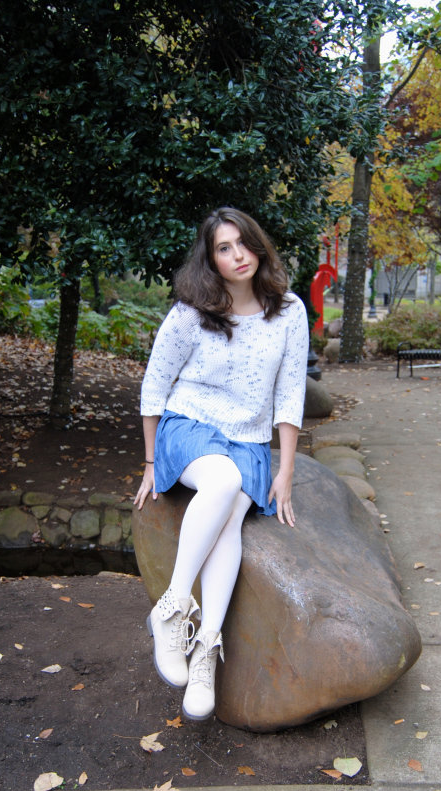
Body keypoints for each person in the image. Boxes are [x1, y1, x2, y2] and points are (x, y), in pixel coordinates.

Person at [134, 207, 309, 721]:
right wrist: (150, 461)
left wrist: (286, 470)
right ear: (210, 260)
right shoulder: (191, 312)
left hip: (249, 440)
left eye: (244, 243)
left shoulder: (289, 311)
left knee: (231, 514)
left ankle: (206, 650)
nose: (238, 256)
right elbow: (154, 385)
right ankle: (171, 610)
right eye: (224, 249)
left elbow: (290, 394)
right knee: (224, 481)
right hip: (189, 426)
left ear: (259, 245)